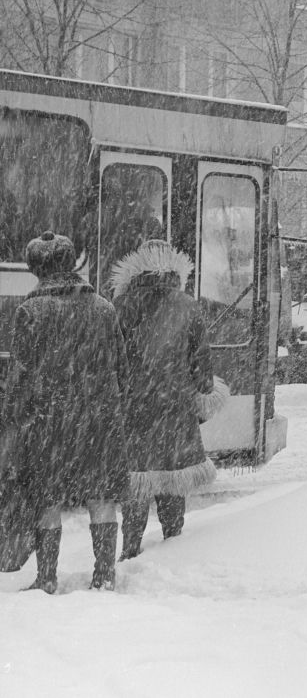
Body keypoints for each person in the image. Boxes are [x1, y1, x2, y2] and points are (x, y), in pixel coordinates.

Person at [1, 231, 130, 593]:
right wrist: (106, 405)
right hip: (99, 421)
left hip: (50, 424)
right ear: (72, 263)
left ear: (36, 268)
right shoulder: (103, 308)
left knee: (47, 500)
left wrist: (12, 418)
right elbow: (122, 370)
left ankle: (47, 578)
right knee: (101, 497)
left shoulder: (30, 312)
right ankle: (104, 575)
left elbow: (21, 377)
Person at [109, 239, 218, 560]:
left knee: (138, 482)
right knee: (173, 480)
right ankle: (173, 543)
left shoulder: (121, 305)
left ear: (136, 265)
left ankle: (130, 548)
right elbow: (202, 364)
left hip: (134, 408)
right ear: (174, 268)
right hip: (175, 408)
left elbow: (111, 361)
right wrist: (200, 403)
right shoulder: (188, 306)